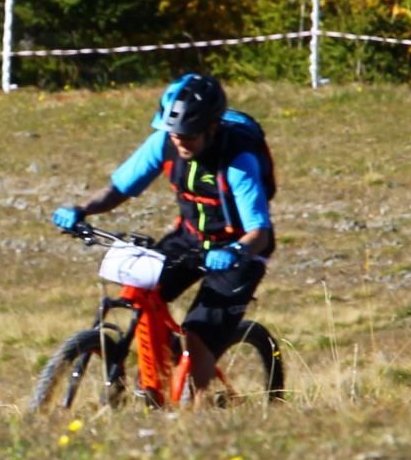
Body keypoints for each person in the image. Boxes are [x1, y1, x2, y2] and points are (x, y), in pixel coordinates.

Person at [51, 74, 274, 398]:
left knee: (197, 334)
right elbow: (118, 189)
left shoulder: (238, 161)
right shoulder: (164, 142)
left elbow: (261, 233)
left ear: (212, 128)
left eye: (190, 134)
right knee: (140, 288)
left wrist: (237, 251)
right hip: (190, 239)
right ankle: (159, 377)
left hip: (239, 250)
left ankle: (194, 412)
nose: (181, 140)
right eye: (175, 133)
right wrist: (81, 210)